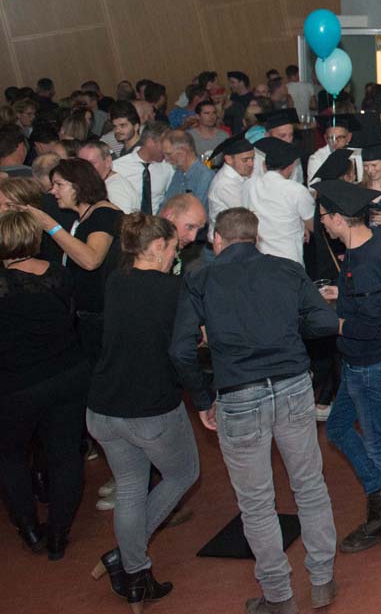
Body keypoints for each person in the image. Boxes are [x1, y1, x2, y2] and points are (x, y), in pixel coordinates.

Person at [169, 207, 340, 614]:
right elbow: (323, 321)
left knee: (257, 503)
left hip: (238, 394)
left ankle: (279, 597)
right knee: (309, 485)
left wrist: (202, 399)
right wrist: (286, 329)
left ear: (217, 240)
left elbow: (179, 350)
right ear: (256, 237)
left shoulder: (200, 279)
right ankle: (322, 580)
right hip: (293, 385)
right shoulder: (286, 269)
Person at [86, 213, 198, 607]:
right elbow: (186, 348)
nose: (174, 256)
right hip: (150, 408)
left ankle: (135, 574)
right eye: (172, 249)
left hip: (103, 406)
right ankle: (124, 556)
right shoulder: (174, 290)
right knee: (183, 473)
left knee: (131, 487)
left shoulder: (116, 281)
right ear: (156, 246)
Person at [314, 180, 381, 554]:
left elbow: (366, 325)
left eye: (324, 216)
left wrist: (331, 322)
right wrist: (344, 293)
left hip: (368, 362)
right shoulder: (380, 239)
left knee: (377, 441)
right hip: (376, 357)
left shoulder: (362, 262)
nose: (321, 222)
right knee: (338, 428)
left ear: (339, 218)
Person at [0, 210, 90, 561]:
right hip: (67, 376)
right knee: (65, 456)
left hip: (16, 387)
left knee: (10, 457)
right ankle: (58, 535)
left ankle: (29, 529)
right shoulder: (59, 275)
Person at [29, 158, 123, 357]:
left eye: (59, 185)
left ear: (79, 185)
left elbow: (91, 260)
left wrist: (49, 225)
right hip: (88, 313)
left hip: (100, 316)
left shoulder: (104, 213)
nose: (53, 191)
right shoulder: (84, 216)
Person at [240, 137, 313, 266]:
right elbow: (312, 225)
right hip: (289, 260)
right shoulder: (296, 190)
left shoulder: (249, 185)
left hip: (258, 259)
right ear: (291, 166)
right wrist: (302, 226)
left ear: (264, 165)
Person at [112, 121, 174, 215]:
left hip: (157, 221)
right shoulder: (118, 167)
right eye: (164, 145)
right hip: (127, 220)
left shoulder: (168, 166)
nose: (168, 150)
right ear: (150, 142)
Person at [205, 134, 255, 244]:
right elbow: (247, 215)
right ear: (228, 159)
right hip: (224, 244)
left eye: (252, 158)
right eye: (245, 160)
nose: (251, 164)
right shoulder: (225, 184)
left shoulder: (239, 174)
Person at [161, 130, 214, 218]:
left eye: (169, 154)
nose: (166, 159)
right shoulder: (179, 173)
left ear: (183, 151)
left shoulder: (205, 176)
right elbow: (166, 204)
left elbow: (196, 214)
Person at [78, 139, 138, 214]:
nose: (85, 168)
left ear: (108, 161)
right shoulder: (103, 184)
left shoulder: (114, 189)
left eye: (92, 163)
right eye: (81, 163)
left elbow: (123, 219)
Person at [307, 114, 360, 190]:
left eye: (340, 137)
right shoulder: (316, 159)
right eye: (331, 138)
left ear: (349, 137)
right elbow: (313, 189)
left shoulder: (357, 154)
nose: (335, 142)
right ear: (325, 138)